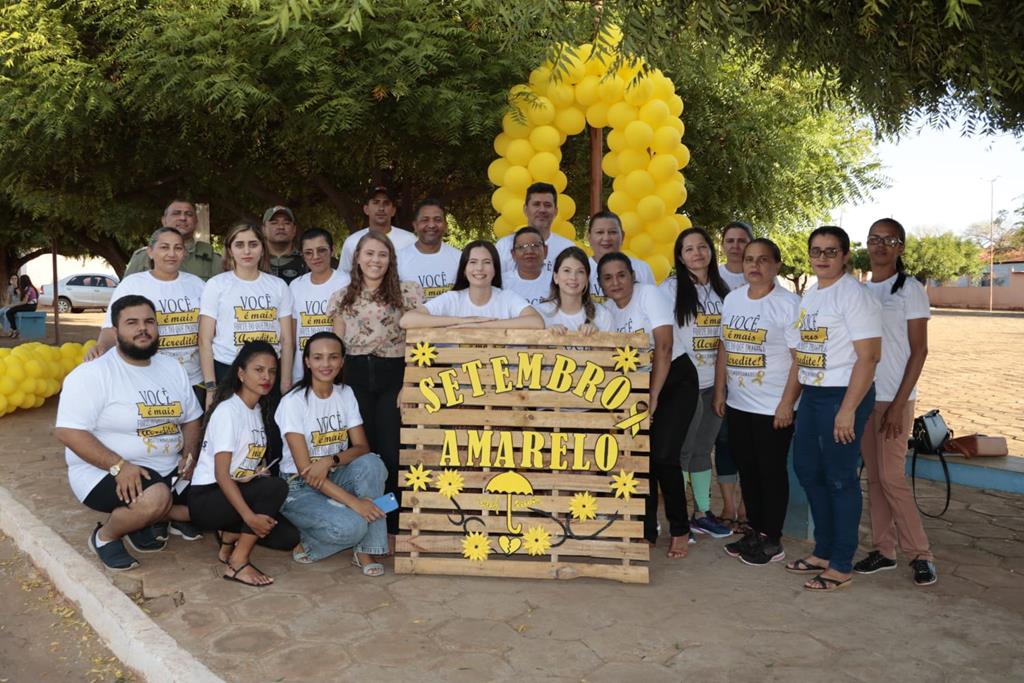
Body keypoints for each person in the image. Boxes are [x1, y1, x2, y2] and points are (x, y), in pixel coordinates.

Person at [55, 295, 203, 571]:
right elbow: (68, 431)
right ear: (115, 331)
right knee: (156, 499)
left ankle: (151, 517)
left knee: (217, 500)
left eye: (149, 321)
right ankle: (106, 536)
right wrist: (118, 466)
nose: (142, 329)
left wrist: (190, 454)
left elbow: (192, 418)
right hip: (105, 471)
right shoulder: (93, 374)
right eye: (131, 322)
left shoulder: (172, 367)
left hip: (170, 469)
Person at [785, 226, 881, 592]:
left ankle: (841, 562)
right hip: (813, 394)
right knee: (809, 470)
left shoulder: (854, 296)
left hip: (844, 395)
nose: (822, 258)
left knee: (840, 479)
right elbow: (801, 349)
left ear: (844, 256)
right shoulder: (811, 294)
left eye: (830, 251)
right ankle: (823, 550)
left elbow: (869, 357)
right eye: (816, 251)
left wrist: (847, 410)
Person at [854, 218, 937, 587]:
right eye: (874, 238)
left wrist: (898, 403)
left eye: (890, 240)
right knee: (875, 479)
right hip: (863, 397)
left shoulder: (910, 290)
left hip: (895, 399)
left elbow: (919, 351)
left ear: (900, 248)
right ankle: (884, 550)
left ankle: (921, 554)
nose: (881, 245)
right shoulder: (860, 291)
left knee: (891, 477)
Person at [328, 231, 423, 547]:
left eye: (382, 254)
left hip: (392, 376)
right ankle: (361, 521)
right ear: (357, 258)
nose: (375, 260)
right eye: (369, 254)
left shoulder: (407, 293)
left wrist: (409, 382)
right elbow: (337, 346)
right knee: (360, 451)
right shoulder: (342, 297)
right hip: (354, 378)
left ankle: (391, 523)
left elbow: (416, 342)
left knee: (392, 452)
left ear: (391, 260)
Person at [713, 238, 801, 566]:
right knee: (748, 470)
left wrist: (787, 403)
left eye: (763, 260)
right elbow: (725, 346)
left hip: (772, 407)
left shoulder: (789, 304)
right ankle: (755, 530)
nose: (755, 265)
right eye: (750, 259)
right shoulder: (734, 299)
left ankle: (772, 539)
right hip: (739, 404)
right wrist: (721, 391)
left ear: (776, 265)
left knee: (770, 472)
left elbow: (800, 359)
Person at [598, 253, 693, 558]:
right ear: (600, 284)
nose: (616, 282)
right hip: (638, 385)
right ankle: (647, 530)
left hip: (675, 378)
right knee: (643, 460)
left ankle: (681, 529)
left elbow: (664, 347)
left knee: (665, 456)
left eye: (621, 275)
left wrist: (653, 399)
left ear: (632, 276)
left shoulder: (650, 294)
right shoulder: (607, 311)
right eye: (608, 278)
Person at [275, 332, 389, 573]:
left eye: (333, 357)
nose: (325, 364)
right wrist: (355, 503)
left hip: (334, 474)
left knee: (373, 464)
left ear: (342, 361)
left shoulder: (345, 393)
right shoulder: (293, 402)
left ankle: (366, 550)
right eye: (318, 358)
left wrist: (330, 460)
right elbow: (306, 471)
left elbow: (362, 447)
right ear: (306, 361)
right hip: (298, 487)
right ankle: (310, 543)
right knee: (353, 525)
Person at [189, 341, 300, 587]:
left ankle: (229, 536)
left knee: (288, 537)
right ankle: (238, 562)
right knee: (275, 487)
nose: (267, 377)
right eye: (258, 370)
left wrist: (256, 473)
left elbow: (241, 464)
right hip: (207, 496)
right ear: (241, 373)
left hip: (233, 491)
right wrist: (250, 518)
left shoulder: (257, 409)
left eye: (272, 371)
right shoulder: (229, 411)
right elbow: (220, 474)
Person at [658, 228, 733, 539]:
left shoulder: (722, 289)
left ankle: (701, 513)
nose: (697, 253)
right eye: (689, 249)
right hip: (684, 385)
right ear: (680, 256)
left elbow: (726, 342)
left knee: (703, 450)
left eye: (702, 247)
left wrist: (719, 388)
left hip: (713, 384)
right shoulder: (669, 289)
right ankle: (679, 517)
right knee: (682, 452)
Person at [85, 228, 206, 398]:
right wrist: (101, 346)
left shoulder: (198, 285)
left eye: (178, 248)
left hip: (193, 380)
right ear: (150, 252)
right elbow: (111, 327)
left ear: (184, 253)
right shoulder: (133, 285)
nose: (171, 253)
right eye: (164, 247)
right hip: (148, 378)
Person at [198, 221, 295, 405]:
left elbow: (287, 340)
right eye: (239, 245)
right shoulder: (216, 285)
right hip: (227, 369)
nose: (247, 251)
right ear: (230, 250)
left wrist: (285, 381)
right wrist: (211, 387)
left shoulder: (278, 286)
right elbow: (204, 340)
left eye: (253, 244)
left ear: (262, 248)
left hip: (269, 372)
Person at [400, 240, 544, 330]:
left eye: (487, 262)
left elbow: (536, 322)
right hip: (457, 378)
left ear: (495, 269)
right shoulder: (453, 299)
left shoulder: (507, 297)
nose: (479, 268)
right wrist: (461, 321)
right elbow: (407, 320)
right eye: (473, 262)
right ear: (464, 268)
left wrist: (482, 326)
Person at [713, 221, 754, 526]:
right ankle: (728, 506)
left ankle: (748, 504)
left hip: (755, 377)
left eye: (742, 241)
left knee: (750, 445)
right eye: (731, 240)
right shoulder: (714, 277)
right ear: (723, 244)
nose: (736, 246)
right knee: (724, 442)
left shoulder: (761, 275)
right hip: (719, 370)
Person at [288, 228, 350, 384]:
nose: (315, 257)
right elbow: (291, 336)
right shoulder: (295, 286)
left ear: (332, 250)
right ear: (302, 255)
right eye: (308, 252)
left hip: (336, 372)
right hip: (301, 373)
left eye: (321, 250)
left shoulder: (347, 282)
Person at [124, 200, 221, 280]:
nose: (183, 218)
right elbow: (126, 297)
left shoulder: (214, 259)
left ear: (196, 222)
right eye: (176, 213)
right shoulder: (142, 257)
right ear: (164, 220)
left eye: (189, 214)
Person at [495, 182, 575, 273]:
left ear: (555, 211)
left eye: (547, 205)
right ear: (525, 210)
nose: (542, 210)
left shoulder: (567, 248)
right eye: (536, 204)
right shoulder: (504, 246)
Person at [339, 186, 416, 275]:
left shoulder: (409, 240)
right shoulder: (352, 241)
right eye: (376, 202)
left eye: (386, 203)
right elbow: (343, 277)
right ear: (366, 209)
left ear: (393, 211)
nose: (381, 208)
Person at [536, 246, 613, 333]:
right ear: (555, 277)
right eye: (567, 270)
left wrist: (595, 338)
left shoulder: (602, 315)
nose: (573, 277)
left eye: (580, 271)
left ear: (587, 279)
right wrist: (547, 335)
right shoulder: (540, 314)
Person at [396, 198, 461, 301]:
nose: (431, 225)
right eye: (425, 220)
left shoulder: (460, 259)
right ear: (415, 226)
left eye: (437, 220)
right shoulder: (398, 260)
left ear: (445, 226)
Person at [586, 211, 654, 302]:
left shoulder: (641, 268)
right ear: (589, 237)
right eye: (600, 232)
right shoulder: (581, 270)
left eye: (612, 232)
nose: (606, 238)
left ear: (622, 236)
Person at [503, 227, 553, 305]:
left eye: (535, 245)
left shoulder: (556, 282)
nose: (529, 251)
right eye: (521, 247)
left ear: (545, 250)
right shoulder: (502, 283)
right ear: (513, 254)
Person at [263, 206, 307, 284]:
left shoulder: (306, 260)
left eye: (287, 223)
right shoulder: (255, 260)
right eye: (274, 223)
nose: (281, 227)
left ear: (294, 230)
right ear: (264, 229)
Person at [718, 221, 753, 290]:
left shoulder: (764, 277)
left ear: (751, 245)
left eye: (742, 241)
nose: (735, 246)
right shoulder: (712, 276)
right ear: (722, 246)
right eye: (730, 241)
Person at [5, 274, 38, 339]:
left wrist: (13, 305)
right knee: (11, 311)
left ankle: (14, 330)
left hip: (31, 307)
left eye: (20, 281)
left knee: (9, 312)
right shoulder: (27, 288)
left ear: (23, 281)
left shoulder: (29, 288)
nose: (19, 282)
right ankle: (13, 329)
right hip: (28, 306)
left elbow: (24, 302)